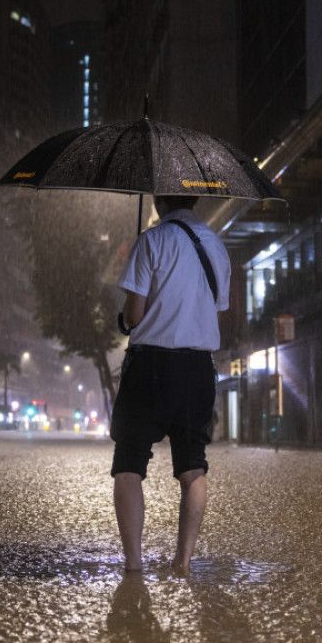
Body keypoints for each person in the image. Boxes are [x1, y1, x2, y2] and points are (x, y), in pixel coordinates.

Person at [110, 194, 231, 576]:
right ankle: (183, 560)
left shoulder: (151, 240)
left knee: (129, 464)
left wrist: (126, 319)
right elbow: (214, 307)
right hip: (197, 368)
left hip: (150, 365)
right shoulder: (216, 245)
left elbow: (134, 314)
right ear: (194, 197)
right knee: (193, 467)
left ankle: (133, 564)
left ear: (159, 199)